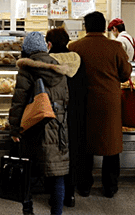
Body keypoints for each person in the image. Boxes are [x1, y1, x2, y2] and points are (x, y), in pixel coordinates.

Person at [68, 11, 132, 198]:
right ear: (105, 27)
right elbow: (125, 73)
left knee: (84, 145)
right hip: (109, 103)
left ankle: (84, 185)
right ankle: (110, 187)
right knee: (110, 147)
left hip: (84, 102)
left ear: (85, 27)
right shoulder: (115, 46)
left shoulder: (75, 47)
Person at [9, 31, 70, 215]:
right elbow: (66, 98)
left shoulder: (26, 69)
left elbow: (18, 102)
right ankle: (57, 212)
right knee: (58, 172)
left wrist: (14, 129)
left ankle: (28, 209)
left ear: (26, 50)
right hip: (58, 126)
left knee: (27, 171)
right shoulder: (59, 68)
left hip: (33, 125)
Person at [46, 27, 85, 208]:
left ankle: (54, 193)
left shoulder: (48, 62)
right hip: (75, 113)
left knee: (55, 152)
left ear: (49, 43)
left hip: (54, 113)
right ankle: (70, 194)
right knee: (72, 152)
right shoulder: (78, 60)